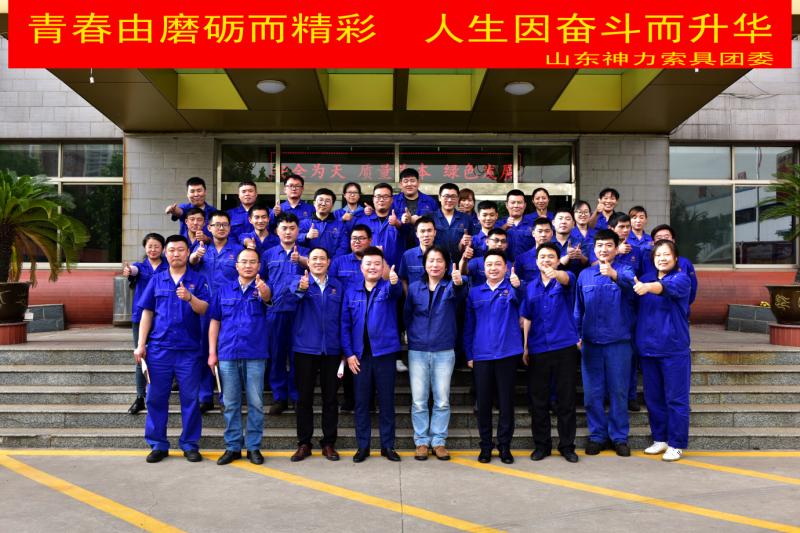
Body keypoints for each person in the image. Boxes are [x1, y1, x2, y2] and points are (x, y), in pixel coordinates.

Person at [134, 235, 210, 463]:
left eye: (180, 249)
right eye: (172, 250)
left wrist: (190, 298)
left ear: (188, 252)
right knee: (156, 398)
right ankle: (158, 444)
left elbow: (204, 308)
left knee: (190, 399)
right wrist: (140, 345)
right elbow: (147, 313)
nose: (176, 254)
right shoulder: (156, 280)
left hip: (189, 350)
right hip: (159, 349)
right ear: (165, 254)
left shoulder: (198, 279)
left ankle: (189, 444)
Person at [207, 248, 273, 466]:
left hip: (255, 354)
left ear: (259, 266)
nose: (248, 265)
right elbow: (215, 322)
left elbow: (268, 299)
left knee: (256, 403)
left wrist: (263, 290)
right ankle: (233, 446)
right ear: (236, 265)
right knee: (230, 403)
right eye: (244, 262)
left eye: (252, 262)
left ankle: (253, 447)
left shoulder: (262, 288)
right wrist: (212, 352)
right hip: (228, 354)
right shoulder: (224, 290)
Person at [574, 229, 636, 457]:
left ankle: (619, 437)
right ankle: (597, 435)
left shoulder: (625, 270)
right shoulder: (585, 275)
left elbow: (634, 291)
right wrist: (577, 335)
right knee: (592, 394)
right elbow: (578, 309)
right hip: (591, 343)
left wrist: (613, 275)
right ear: (594, 248)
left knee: (618, 392)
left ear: (617, 248)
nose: (603, 249)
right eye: (599, 245)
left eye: (609, 245)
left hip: (618, 342)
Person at [341, 247, 403, 463]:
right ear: (361, 267)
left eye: (377, 263)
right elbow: (345, 325)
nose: (373, 267)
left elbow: (396, 292)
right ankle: (363, 446)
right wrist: (349, 354)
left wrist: (394, 281)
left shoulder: (388, 288)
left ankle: (388, 446)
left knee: (386, 402)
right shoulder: (351, 291)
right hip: (360, 357)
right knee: (361, 403)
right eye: (368, 263)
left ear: (383, 266)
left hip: (385, 354)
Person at [404, 246, 465, 461]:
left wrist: (458, 282)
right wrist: (412, 335)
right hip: (418, 350)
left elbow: (460, 294)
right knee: (419, 400)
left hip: (444, 349)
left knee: (442, 400)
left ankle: (439, 441)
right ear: (424, 264)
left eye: (439, 261)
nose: (435, 264)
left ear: (446, 265)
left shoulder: (452, 285)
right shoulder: (414, 288)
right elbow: (407, 315)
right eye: (431, 260)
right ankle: (421, 441)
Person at [521, 243, 581, 463]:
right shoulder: (530, 287)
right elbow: (527, 318)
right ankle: (542, 445)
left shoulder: (566, 278)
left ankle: (567, 446)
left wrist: (556, 273)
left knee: (566, 400)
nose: (546, 260)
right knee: (539, 401)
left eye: (551, 257)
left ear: (557, 260)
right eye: (542, 257)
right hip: (538, 348)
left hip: (564, 347)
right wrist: (525, 346)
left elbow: (566, 279)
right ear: (536, 261)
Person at [633, 240, 692, 462]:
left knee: (676, 399)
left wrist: (648, 287)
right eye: (658, 255)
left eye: (667, 254)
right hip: (648, 349)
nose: (662, 258)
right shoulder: (646, 277)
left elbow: (663, 288)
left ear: (675, 258)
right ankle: (660, 439)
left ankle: (676, 443)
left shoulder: (681, 278)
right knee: (653, 398)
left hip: (673, 349)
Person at [285, 247, 345, 462]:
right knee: (304, 399)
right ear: (307, 262)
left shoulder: (338, 286)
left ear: (329, 262)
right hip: (305, 349)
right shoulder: (297, 282)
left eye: (322, 258)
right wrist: (300, 290)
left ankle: (328, 443)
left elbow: (344, 318)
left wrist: (345, 350)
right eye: (314, 259)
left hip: (332, 349)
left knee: (330, 399)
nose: (318, 262)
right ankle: (304, 443)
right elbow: (287, 304)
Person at [464, 250, 523, 465]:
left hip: (508, 353)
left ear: (506, 268)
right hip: (482, 354)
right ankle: (486, 446)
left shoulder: (514, 288)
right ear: (483, 268)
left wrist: (518, 287)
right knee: (484, 404)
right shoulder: (474, 292)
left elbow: (524, 304)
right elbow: (469, 325)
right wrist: (469, 353)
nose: (493, 268)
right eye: (489, 264)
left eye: (498, 264)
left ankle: (504, 446)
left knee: (506, 403)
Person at [191, 211, 244, 413]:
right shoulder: (202, 248)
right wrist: (195, 257)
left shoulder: (237, 250)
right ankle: (205, 395)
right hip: (205, 307)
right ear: (209, 228)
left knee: (227, 352)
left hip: (231, 308)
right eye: (217, 225)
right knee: (204, 350)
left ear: (230, 228)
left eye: (224, 225)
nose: (221, 228)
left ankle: (226, 396)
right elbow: (190, 265)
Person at [261, 213, 310, 414]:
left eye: (292, 228)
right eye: (284, 228)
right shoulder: (268, 254)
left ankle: (297, 396)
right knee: (277, 355)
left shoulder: (307, 253)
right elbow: (261, 280)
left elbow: (319, 274)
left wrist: (303, 261)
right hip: (276, 311)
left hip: (302, 312)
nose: (288, 232)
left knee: (298, 356)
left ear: (298, 231)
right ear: (277, 231)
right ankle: (279, 396)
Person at [329, 223, 373, 412]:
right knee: (346, 356)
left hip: (368, 318)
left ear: (369, 240)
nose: (357, 242)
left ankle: (369, 400)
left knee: (367, 359)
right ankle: (349, 399)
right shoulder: (339, 262)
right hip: (344, 316)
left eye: (361, 238)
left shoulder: (374, 261)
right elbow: (331, 285)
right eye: (354, 238)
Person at [122, 233, 167, 414]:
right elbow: (133, 270)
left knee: (163, 355)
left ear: (163, 248)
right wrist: (128, 270)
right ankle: (140, 396)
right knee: (140, 356)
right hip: (141, 317)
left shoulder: (168, 266)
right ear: (145, 248)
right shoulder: (140, 267)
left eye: (157, 246)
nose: (153, 249)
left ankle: (159, 394)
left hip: (164, 316)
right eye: (150, 246)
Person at [355, 183, 404, 268]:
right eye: (378, 196)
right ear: (373, 199)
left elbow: (406, 232)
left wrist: (397, 223)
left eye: (385, 197)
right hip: (368, 269)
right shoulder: (362, 220)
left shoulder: (400, 218)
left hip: (394, 269)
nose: (381, 200)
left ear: (392, 200)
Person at [646, 224, 698, 306]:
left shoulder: (684, 263)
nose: (663, 239)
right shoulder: (647, 262)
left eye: (666, 237)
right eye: (659, 238)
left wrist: (684, 306)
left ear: (673, 240)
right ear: (653, 242)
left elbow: (692, 287)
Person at [393, 167, 439, 248]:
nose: (409, 184)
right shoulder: (393, 201)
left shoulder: (430, 201)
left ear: (418, 182)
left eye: (412, 180)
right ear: (401, 184)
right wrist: (400, 221)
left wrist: (420, 220)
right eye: (406, 181)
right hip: (399, 245)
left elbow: (437, 223)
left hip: (424, 247)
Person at [297, 188, 349, 258]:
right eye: (320, 200)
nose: (323, 204)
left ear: (332, 205)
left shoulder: (340, 225)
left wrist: (332, 262)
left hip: (332, 263)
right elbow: (295, 240)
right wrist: (306, 236)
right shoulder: (303, 223)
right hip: (308, 262)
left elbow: (343, 247)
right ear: (314, 203)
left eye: (327, 201)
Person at [164, 177, 215, 242]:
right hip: (185, 246)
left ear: (205, 192)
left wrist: (206, 239)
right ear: (187, 194)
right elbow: (180, 211)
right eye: (192, 191)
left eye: (199, 191)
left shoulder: (214, 212)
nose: (196, 194)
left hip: (207, 247)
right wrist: (173, 210)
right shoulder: (185, 208)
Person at [433, 183, 472, 265]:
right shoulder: (430, 217)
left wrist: (465, 244)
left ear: (458, 199)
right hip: (436, 264)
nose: (449, 200)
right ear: (439, 197)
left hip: (460, 264)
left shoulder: (466, 218)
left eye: (453, 197)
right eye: (446, 196)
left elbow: (472, 242)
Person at [398, 216, 436, 293]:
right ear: (416, 234)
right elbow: (403, 278)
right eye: (422, 231)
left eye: (429, 230)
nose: (426, 235)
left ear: (435, 232)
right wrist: (408, 296)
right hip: (415, 299)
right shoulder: (407, 255)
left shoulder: (443, 254)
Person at [514, 217, 555, 283]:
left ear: (552, 233)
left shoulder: (559, 256)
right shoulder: (521, 258)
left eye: (547, 231)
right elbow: (518, 283)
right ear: (533, 233)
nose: (543, 235)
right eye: (540, 231)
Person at [499, 189, 534, 261]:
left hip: (527, 265)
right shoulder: (498, 224)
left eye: (519, 202)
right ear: (506, 205)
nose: (516, 206)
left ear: (525, 205)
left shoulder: (533, 224)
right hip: (504, 265)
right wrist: (505, 226)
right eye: (513, 202)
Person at [552, 208, 588, 277]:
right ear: (553, 222)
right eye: (560, 218)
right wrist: (567, 257)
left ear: (573, 224)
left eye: (567, 219)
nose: (563, 222)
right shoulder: (548, 243)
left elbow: (586, 262)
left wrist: (580, 256)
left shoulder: (580, 241)